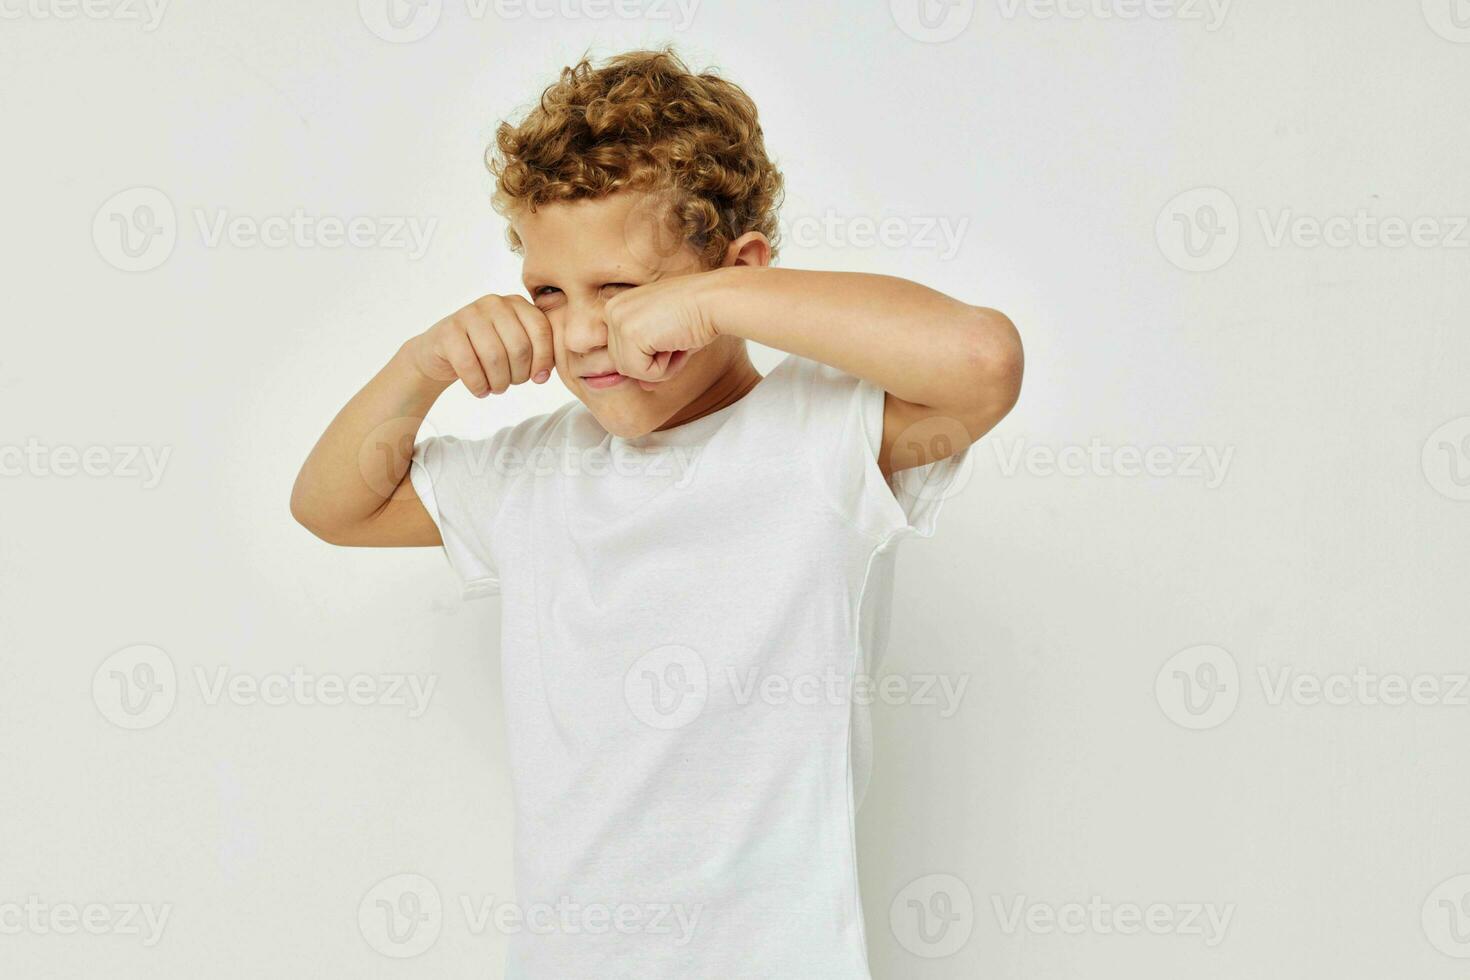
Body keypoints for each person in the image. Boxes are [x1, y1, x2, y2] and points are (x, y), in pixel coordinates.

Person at [291, 46, 1022, 979]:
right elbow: (332, 507)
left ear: (740, 272)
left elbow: (982, 361)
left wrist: (721, 303)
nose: (585, 333)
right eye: (551, 294)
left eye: (624, 290)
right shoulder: (536, 472)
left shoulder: (825, 439)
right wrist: (421, 365)